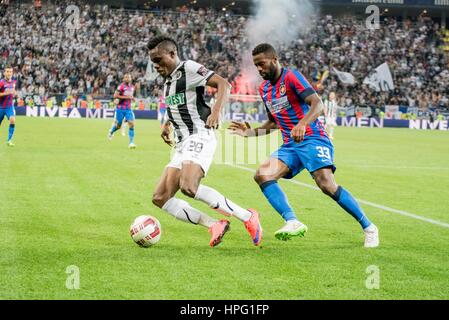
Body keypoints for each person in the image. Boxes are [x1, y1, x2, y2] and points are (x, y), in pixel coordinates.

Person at [229, 43, 379, 248]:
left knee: (326, 184)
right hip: (291, 145)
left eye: (262, 64)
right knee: (263, 174)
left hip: (312, 137)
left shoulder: (291, 77)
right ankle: (292, 221)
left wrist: (302, 124)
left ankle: (369, 227)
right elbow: (273, 122)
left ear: (274, 60)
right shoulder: (264, 89)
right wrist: (249, 133)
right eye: (256, 66)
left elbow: (317, 104)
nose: (260, 69)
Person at [148, 35, 262, 247]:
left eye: (158, 59)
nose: (155, 65)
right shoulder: (168, 80)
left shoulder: (188, 68)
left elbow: (223, 84)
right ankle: (213, 224)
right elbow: (178, 105)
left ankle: (247, 216)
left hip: (200, 133)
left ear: (172, 54)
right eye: (152, 61)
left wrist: (216, 112)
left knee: (188, 186)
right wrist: (167, 124)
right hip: (182, 143)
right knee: (160, 197)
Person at [108, 74, 137, 149]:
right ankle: (111, 131)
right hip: (120, 108)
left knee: (131, 124)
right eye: (126, 77)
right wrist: (126, 97)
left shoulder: (132, 87)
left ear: (131, 79)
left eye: (129, 77)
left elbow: (130, 96)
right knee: (118, 126)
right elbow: (115, 96)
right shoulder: (120, 86)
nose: (128, 78)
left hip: (128, 109)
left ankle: (131, 142)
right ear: (124, 79)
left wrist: (132, 98)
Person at [0, 66, 18, 147]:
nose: (9, 73)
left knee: (12, 120)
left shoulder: (14, 82)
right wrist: (6, 93)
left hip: (9, 106)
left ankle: (9, 140)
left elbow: (14, 92)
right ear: (4, 73)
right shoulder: (1, 82)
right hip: (0, 107)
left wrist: (15, 93)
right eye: (7, 71)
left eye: (10, 71)